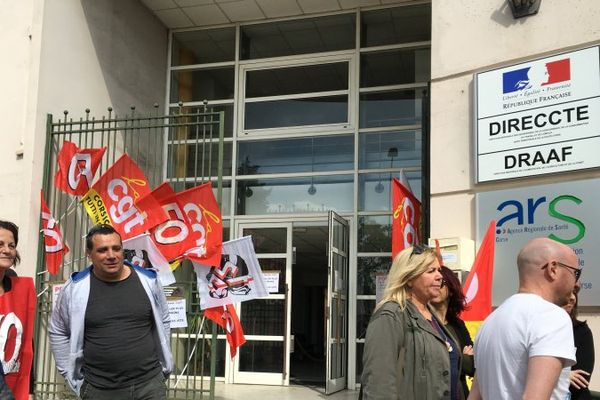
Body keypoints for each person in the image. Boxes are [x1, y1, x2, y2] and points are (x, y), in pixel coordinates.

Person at [49, 224, 173, 400]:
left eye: (116, 248)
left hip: (149, 385)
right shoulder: (74, 288)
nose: (111, 256)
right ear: (89, 254)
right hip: (99, 389)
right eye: (102, 250)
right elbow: (58, 331)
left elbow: (164, 320)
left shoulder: (149, 280)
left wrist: (161, 369)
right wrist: (68, 373)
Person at [468, 237, 580, 400]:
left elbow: (475, 396)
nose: (575, 282)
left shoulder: (491, 321)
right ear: (553, 268)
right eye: (575, 272)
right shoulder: (552, 317)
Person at [361, 244, 462, 400]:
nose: (440, 276)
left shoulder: (431, 314)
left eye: (439, 270)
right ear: (409, 279)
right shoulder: (390, 316)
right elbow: (379, 386)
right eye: (431, 271)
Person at [0, 220, 36, 400]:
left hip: (10, 385)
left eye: (11, 245)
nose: (7, 250)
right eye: (0, 244)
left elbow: (26, 341)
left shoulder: (17, 285)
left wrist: (29, 388)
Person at [431, 266, 474, 398]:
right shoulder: (422, 322)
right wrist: (462, 356)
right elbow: (432, 365)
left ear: (451, 289)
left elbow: (473, 366)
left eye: (442, 282)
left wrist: (459, 358)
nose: (436, 285)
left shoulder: (457, 325)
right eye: (432, 282)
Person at [564, 289, 595, 400]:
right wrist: (564, 376)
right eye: (567, 292)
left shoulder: (582, 331)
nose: (572, 298)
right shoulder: (538, 330)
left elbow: (580, 379)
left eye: (575, 293)